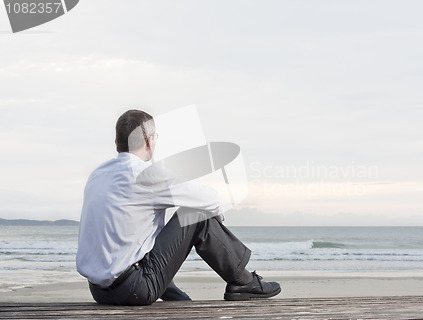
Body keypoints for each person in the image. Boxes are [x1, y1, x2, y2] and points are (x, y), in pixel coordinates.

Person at [76, 109, 280, 305]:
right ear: (149, 141)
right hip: (134, 291)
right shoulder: (147, 175)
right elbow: (212, 199)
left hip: (99, 292)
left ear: (116, 143)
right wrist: (212, 219)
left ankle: (178, 298)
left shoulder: (97, 175)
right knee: (195, 212)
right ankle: (243, 281)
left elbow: (131, 248)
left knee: (144, 234)